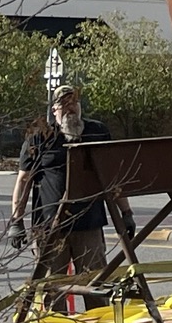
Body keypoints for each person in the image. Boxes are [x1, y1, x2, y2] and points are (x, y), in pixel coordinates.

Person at [11, 84, 129, 276]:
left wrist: (126, 212)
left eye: (74, 102)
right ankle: (55, 307)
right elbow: (24, 181)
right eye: (64, 104)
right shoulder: (39, 137)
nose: (70, 107)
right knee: (52, 290)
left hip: (89, 225)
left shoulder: (97, 133)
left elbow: (112, 176)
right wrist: (16, 222)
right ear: (54, 110)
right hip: (50, 228)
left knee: (96, 285)